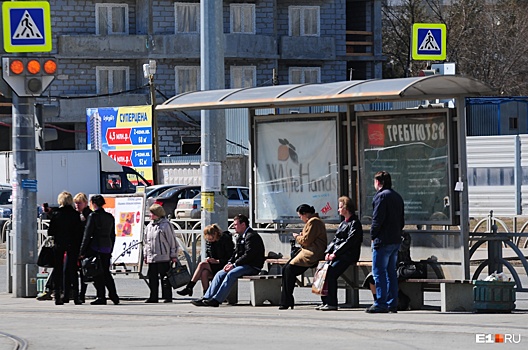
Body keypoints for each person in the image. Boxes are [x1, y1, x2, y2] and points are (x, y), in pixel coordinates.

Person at [191, 214, 265, 307]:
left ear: (243, 224)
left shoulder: (252, 236)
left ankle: (217, 299)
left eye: (235, 224)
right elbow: (235, 253)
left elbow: (249, 255)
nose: (234, 227)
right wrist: (229, 263)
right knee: (220, 273)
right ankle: (206, 297)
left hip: (252, 266)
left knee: (232, 273)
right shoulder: (240, 236)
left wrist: (234, 265)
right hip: (241, 264)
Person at [366, 171, 405, 314]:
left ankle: (380, 303)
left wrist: (373, 235)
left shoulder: (381, 196)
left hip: (382, 240)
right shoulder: (397, 196)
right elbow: (401, 221)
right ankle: (392, 303)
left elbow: (377, 219)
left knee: (379, 272)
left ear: (378, 182)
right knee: (391, 273)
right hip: (395, 240)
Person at [316, 196, 363, 311]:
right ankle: (325, 300)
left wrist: (335, 253)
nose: (338, 210)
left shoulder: (355, 224)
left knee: (331, 272)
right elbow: (335, 240)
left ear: (346, 208)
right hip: (338, 254)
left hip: (348, 255)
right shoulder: (343, 223)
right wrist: (328, 252)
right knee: (323, 270)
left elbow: (349, 242)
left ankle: (332, 303)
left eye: (340, 207)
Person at [279, 204, 326, 310]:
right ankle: (286, 300)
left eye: (300, 216)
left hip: (312, 254)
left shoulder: (313, 222)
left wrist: (297, 237)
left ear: (305, 214)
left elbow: (306, 240)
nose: (301, 218)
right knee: (287, 269)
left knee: (289, 270)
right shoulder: (313, 221)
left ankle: (286, 301)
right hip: (308, 252)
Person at [79, 195, 120, 305]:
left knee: (97, 272)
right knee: (106, 272)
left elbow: (87, 235)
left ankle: (101, 296)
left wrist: (82, 251)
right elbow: (112, 235)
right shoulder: (109, 216)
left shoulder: (93, 216)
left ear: (93, 203)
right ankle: (113, 295)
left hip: (96, 247)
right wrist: (111, 248)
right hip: (106, 247)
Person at [177, 224, 234, 297]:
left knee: (202, 264)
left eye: (211, 239)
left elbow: (230, 256)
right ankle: (206, 294)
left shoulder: (225, 240)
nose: (210, 241)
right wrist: (208, 259)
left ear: (215, 234)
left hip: (223, 264)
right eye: (208, 239)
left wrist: (218, 261)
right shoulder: (209, 242)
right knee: (204, 273)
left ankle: (189, 287)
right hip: (214, 265)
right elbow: (209, 253)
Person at [47, 191, 82, 305]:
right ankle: (76, 297)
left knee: (58, 269)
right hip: (72, 244)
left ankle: (57, 295)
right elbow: (79, 232)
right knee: (72, 270)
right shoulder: (75, 214)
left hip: (59, 244)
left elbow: (50, 231)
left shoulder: (56, 214)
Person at [143, 204, 180, 303]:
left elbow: (172, 241)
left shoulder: (166, 225)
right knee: (152, 278)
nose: (150, 215)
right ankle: (153, 296)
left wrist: (173, 255)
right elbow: (147, 242)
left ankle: (167, 297)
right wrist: (146, 255)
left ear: (157, 214)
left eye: (152, 213)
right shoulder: (149, 226)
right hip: (152, 257)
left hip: (164, 256)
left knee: (165, 278)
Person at [74, 192, 92, 303]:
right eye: (75, 203)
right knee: (81, 272)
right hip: (78, 245)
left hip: (87, 247)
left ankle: (82, 294)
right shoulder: (77, 214)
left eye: (79, 203)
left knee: (86, 272)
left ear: (85, 203)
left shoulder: (88, 215)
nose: (77, 205)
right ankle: (80, 294)